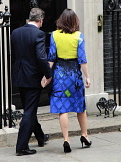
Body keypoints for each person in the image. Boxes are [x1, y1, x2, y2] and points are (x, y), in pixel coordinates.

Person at [47, 8, 92, 153]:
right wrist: (87, 77)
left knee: (62, 108)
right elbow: (82, 60)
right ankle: (84, 135)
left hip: (60, 76)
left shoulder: (54, 35)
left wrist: (47, 75)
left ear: (61, 21)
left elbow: (51, 58)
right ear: (74, 21)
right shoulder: (79, 36)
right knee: (80, 106)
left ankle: (66, 139)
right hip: (74, 76)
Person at [11, 8, 52, 156]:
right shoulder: (39, 34)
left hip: (19, 76)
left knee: (29, 109)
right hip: (32, 77)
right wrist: (48, 74)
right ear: (40, 20)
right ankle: (21, 147)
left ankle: (40, 137)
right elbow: (41, 58)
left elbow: (15, 55)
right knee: (29, 111)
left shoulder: (15, 32)